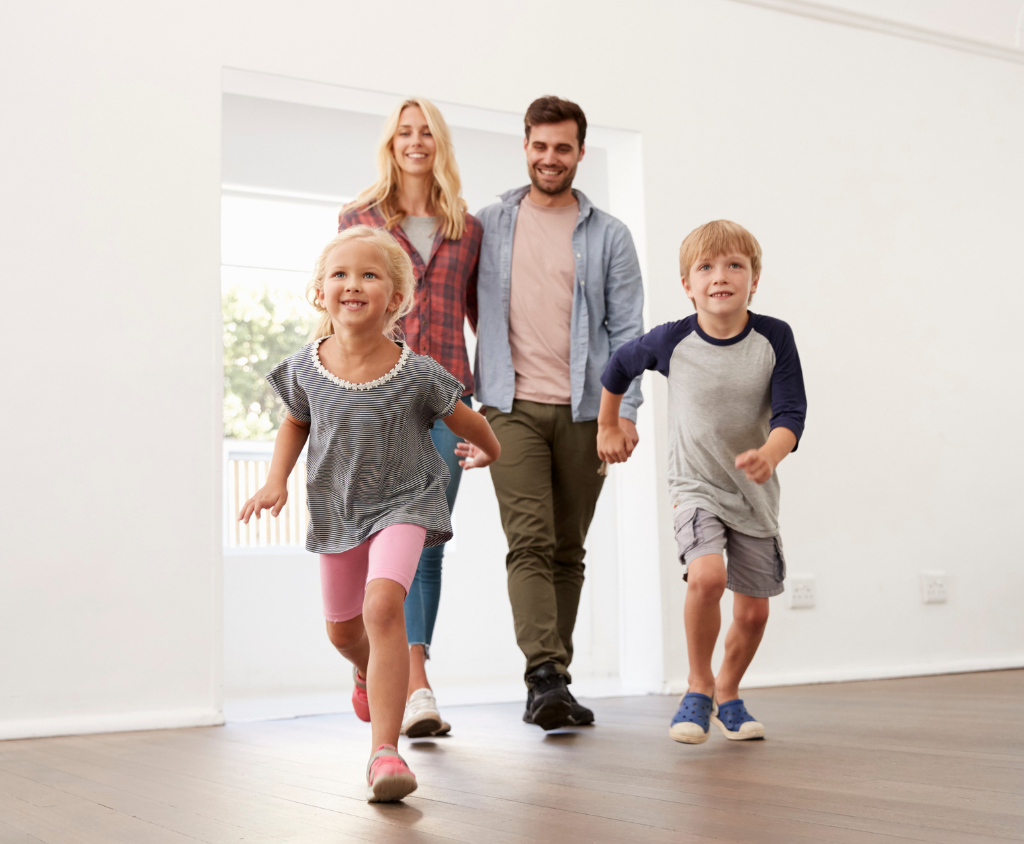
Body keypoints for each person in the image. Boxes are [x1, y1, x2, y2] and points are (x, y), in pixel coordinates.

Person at [238, 226, 500, 801]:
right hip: (337, 509)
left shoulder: (418, 370)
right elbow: (295, 422)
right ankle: (365, 671)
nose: (352, 284)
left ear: (395, 297)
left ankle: (385, 754)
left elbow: (466, 418)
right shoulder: (305, 367)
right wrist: (275, 480)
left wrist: (490, 450)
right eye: (340, 274)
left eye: (369, 275)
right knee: (342, 630)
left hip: (406, 499)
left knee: (384, 608)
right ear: (320, 292)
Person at [598, 220, 807, 744]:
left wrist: (770, 454)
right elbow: (619, 366)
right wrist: (610, 423)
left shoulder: (774, 337)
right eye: (706, 267)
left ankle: (728, 693)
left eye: (735, 265)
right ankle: (697, 684)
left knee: (754, 612)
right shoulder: (673, 339)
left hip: (754, 491)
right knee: (708, 577)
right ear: (687, 284)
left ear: (754, 280)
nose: (721, 276)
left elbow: (791, 413)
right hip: (694, 484)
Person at [473, 96, 644, 730]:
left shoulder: (609, 235)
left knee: (569, 549)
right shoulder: (488, 223)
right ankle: (542, 673)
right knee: (530, 541)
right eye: (540, 146)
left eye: (563, 148)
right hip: (508, 406)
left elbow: (628, 333)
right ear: (525, 146)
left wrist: (623, 415)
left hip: (585, 410)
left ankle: (555, 685)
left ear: (579, 152)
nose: (550, 158)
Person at [338, 98, 483, 739]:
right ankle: (383, 668)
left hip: (447, 399)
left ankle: (417, 682)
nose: (416, 142)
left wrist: (490, 410)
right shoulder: (358, 217)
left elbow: (480, 318)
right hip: (377, 396)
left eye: (426, 132)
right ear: (391, 143)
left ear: (439, 144)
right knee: (380, 539)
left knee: (427, 540)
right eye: (405, 132)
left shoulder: (466, 228)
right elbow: (341, 300)